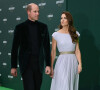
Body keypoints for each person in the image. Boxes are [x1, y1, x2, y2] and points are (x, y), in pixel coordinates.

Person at [11, 3, 51, 90]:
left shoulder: (43, 27)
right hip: (26, 65)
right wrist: (13, 66)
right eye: (35, 11)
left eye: (38, 11)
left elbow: (47, 47)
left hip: (39, 65)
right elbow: (14, 48)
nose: (38, 13)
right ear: (28, 12)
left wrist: (48, 65)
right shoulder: (20, 28)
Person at [50, 11, 82, 90]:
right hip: (61, 62)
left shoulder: (75, 34)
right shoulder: (56, 35)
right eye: (61, 18)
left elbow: (77, 50)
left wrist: (80, 64)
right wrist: (51, 66)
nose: (62, 20)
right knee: (63, 85)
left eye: (65, 18)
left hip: (73, 62)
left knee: (70, 85)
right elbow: (53, 52)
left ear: (69, 20)